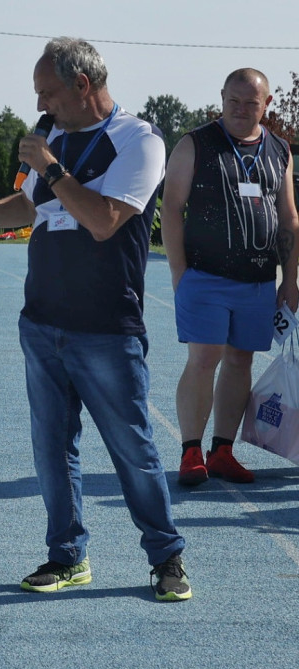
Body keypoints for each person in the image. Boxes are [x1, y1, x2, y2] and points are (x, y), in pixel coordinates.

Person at [0, 37, 191, 601]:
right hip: (42, 320)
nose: (41, 105)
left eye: (48, 92)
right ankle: (66, 557)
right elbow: (31, 205)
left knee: (132, 448)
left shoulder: (139, 141)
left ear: (82, 85)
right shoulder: (57, 139)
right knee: (52, 446)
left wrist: (53, 166)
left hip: (107, 327)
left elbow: (104, 220)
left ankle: (167, 557)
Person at [162, 68, 299, 487]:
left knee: (241, 360)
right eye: (233, 101)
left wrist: (290, 281)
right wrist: (179, 272)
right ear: (221, 98)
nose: (240, 110)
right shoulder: (195, 144)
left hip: (257, 280)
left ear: (267, 104)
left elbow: (289, 220)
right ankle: (190, 452)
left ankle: (222, 451)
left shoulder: (280, 150)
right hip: (204, 276)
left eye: (250, 103)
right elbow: (170, 207)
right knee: (205, 359)